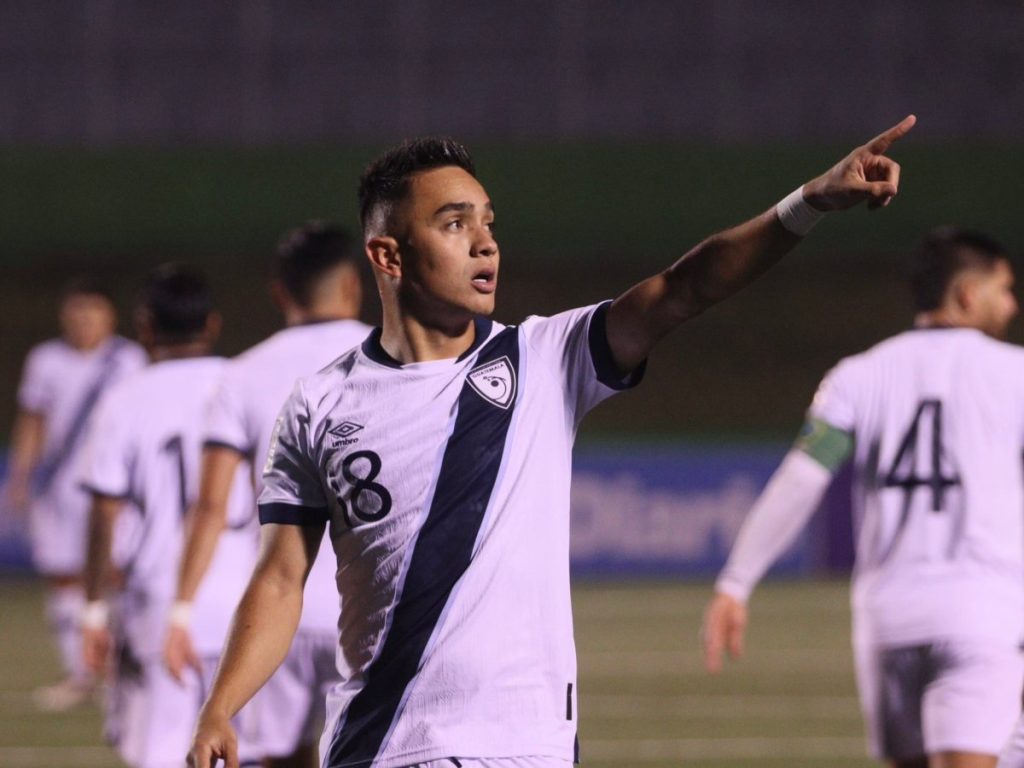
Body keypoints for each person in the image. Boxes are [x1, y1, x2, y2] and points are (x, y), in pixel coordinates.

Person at [190, 116, 915, 768]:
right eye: (453, 223)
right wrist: (222, 706)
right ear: (388, 256)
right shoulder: (319, 404)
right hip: (385, 747)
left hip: (528, 747)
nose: (485, 242)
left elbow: (687, 288)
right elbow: (282, 579)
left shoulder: (543, 359)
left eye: (488, 222)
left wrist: (810, 202)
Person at [702, 227, 1024, 768]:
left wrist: (736, 583)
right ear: (968, 293)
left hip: (888, 620)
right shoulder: (1014, 372)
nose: (1012, 304)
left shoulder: (858, 375)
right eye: (1004, 288)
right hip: (980, 612)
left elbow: (802, 478)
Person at [163, 222, 370, 768]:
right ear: (353, 284)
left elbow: (210, 506)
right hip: (373, 604)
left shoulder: (242, 374)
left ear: (280, 293)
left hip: (279, 607)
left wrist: (181, 610)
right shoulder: (394, 360)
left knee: (282, 759)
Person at [78, 264, 258, 768]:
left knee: (157, 755)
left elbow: (103, 511)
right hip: (248, 600)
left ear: (144, 326)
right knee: (251, 753)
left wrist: (92, 608)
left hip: (159, 598)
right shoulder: (244, 381)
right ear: (213, 324)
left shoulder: (125, 398)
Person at [6, 279, 146, 711]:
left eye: (94, 311)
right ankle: (81, 673)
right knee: (62, 575)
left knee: (116, 574)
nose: (85, 321)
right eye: (77, 311)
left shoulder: (128, 359)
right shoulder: (46, 360)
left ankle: (123, 670)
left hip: (114, 484)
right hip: (60, 487)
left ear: (110, 315)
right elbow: (33, 420)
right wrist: (19, 475)